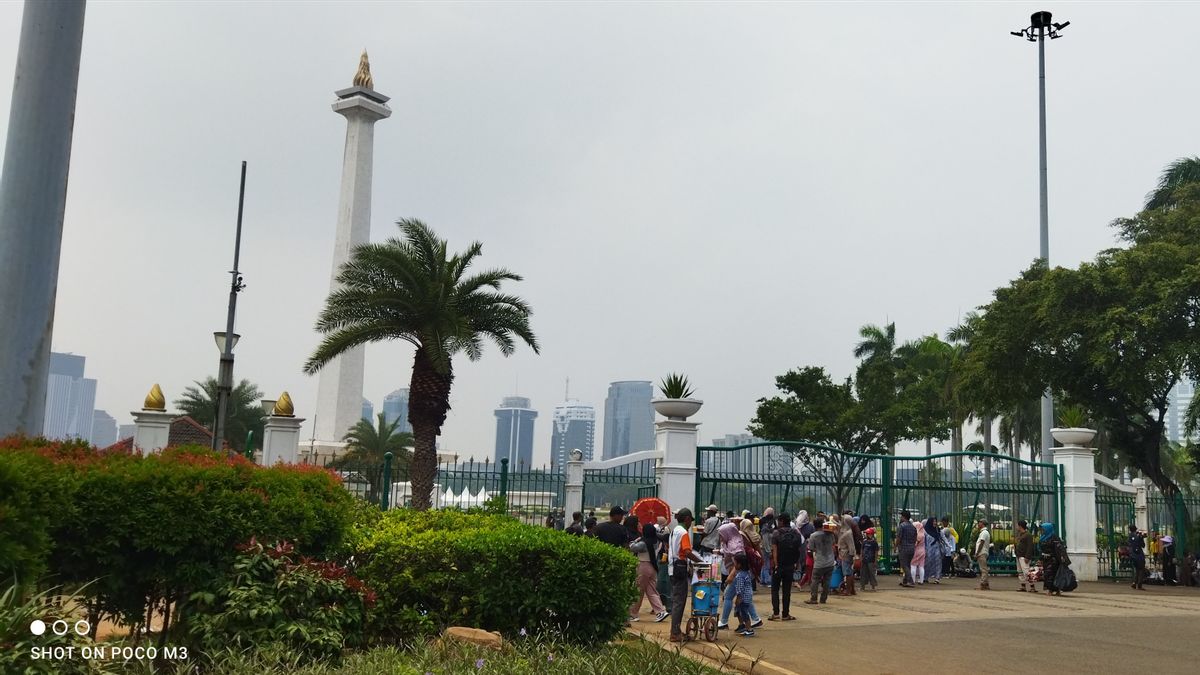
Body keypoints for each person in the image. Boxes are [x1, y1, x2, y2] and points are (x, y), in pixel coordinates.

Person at [668, 508, 705, 643]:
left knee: (676, 600)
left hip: (672, 569)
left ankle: (676, 630)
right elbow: (687, 552)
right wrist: (700, 561)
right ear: (687, 519)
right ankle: (675, 632)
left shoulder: (674, 531)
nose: (691, 524)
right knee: (679, 601)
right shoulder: (683, 533)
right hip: (680, 568)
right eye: (690, 521)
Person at [629, 521, 669, 623]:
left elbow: (633, 548)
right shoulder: (656, 541)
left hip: (643, 566)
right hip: (653, 567)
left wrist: (634, 541)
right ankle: (660, 611)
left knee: (638, 590)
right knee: (652, 591)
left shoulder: (643, 543)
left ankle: (633, 614)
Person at [769, 512, 801, 620]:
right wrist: (796, 562)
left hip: (779, 566)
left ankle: (776, 613)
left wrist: (775, 564)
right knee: (787, 591)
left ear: (782, 521)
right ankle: (786, 614)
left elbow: (774, 551)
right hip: (790, 565)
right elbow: (798, 549)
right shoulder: (796, 533)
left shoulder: (776, 533)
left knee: (775, 590)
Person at [804, 517, 837, 605]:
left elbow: (810, 548)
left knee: (815, 580)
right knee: (827, 580)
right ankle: (823, 598)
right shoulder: (830, 534)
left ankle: (814, 598)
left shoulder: (813, 536)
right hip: (830, 561)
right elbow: (833, 544)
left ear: (814, 526)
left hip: (819, 561)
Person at [730, 552, 757, 637]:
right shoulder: (747, 573)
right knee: (738, 611)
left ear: (740, 565)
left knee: (744, 613)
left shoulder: (740, 576)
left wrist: (739, 597)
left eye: (735, 563)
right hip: (747, 596)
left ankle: (749, 629)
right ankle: (742, 625)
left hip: (743, 597)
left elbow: (740, 588)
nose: (734, 565)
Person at [1039, 522, 1069, 596]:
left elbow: (1059, 549)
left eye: (1043, 529)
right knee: (1047, 575)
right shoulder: (1043, 537)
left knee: (1054, 574)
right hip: (1046, 559)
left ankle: (1055, 590)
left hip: (1053, 560)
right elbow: (1042, 550)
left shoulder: (1054, 538)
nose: (1042, 531)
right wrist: (1041, 559)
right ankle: (1051, 589)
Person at [836, 514, 857, 595]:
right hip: (845, 554)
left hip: (846, 555)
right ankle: (852, 590)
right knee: (850, 572)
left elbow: (851, 546)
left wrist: (852, 556)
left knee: (847, 573)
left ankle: (848, 591)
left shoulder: (848, 533)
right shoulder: (846, 531)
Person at [1014, 520, 1037, 593]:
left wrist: (1027, 556)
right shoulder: (1021, 534)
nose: (1016, 527)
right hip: (1019, 555)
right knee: (1020, 571)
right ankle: (1023, 585)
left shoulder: (1028, 535)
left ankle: (1032, 586)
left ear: (1020, 526)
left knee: (1026, 571)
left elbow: (1030, 546)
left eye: (1017, 525)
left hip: (1024, 556)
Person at [896, 510, 918, 587]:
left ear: (903, 517)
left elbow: (898, 538)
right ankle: (905, 581)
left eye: (901, 516)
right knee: (907, 564)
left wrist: (896, 546)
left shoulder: (902, 526)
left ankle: (910, 581)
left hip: (903, 548)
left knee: (904, 565)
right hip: (912, 548)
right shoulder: (913, 527)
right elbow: (915, 538)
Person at [795, 510, 815, 589]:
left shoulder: (796, 525)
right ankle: (805, 578)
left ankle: (800, 578)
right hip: (807, 546)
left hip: (799, 545)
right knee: (806, 563)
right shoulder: (810, 526)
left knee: (800, 562)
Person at [759, 508, 777, 587]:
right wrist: (769, 550)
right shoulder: (766, 529)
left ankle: (763, 580)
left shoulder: (766, 527)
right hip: (767, 548)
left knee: (764, 564)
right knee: (767, 564)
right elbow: (766, 540)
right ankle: (768, 581)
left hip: (765, 547)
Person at [1126, 524, 1147, 590]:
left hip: (1132, 555)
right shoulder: (1138, 535)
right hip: (1139, 555)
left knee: (1137, 569)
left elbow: (1129, 544)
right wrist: (1141, 537)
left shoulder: (1129, 536)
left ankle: (1134, 583)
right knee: (1141, 570)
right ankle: (1139, 585)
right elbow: (1143, 545)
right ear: (1136, 529)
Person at [974, 519, 992, 591]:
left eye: (979, 523)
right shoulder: (984, 532)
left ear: (983, 524)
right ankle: (986, 584)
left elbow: (981, 543)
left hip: (982, 552)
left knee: (983, 569)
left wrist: (977, 553)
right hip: (983, 552)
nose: (978, 524)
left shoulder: (984, 532)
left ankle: (983, 584)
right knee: (984, 568)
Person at [923, 517, 942, 584]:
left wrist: (949, 547)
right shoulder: (925, 531)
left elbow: (942, 538)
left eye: (935, 521)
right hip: (929, 549)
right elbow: (924, 541)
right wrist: (924, 549)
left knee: (938, 562)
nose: (934, 523)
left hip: (937, 548)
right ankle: (925, 577)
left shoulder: (938, 530)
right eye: (933, 521)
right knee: (928, 563)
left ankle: (937, 578)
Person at [912, 516, 927, 585]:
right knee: (921, 566)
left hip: (916, 551)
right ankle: (921, 581)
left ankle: (913, 580)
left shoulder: (917, 535)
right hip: (923, 551)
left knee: (913, 565)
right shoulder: (923, 534)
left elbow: (915, 544)